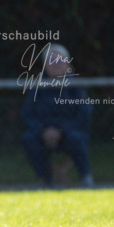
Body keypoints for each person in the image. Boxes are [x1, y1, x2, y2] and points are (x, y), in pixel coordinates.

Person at [20, 43, 93, 187]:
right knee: (28, 139)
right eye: (50, 61)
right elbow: (27, 114)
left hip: (69, 133)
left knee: (76, 139)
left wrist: (62, 131)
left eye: (59, 60)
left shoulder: (76, 87)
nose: (55, 64)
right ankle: (46, 180)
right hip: (43, 133)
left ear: (67, 64)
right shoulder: (37, 87)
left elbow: (84, 114)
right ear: (44, 66)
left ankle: (85, 178)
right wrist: (43, 130)